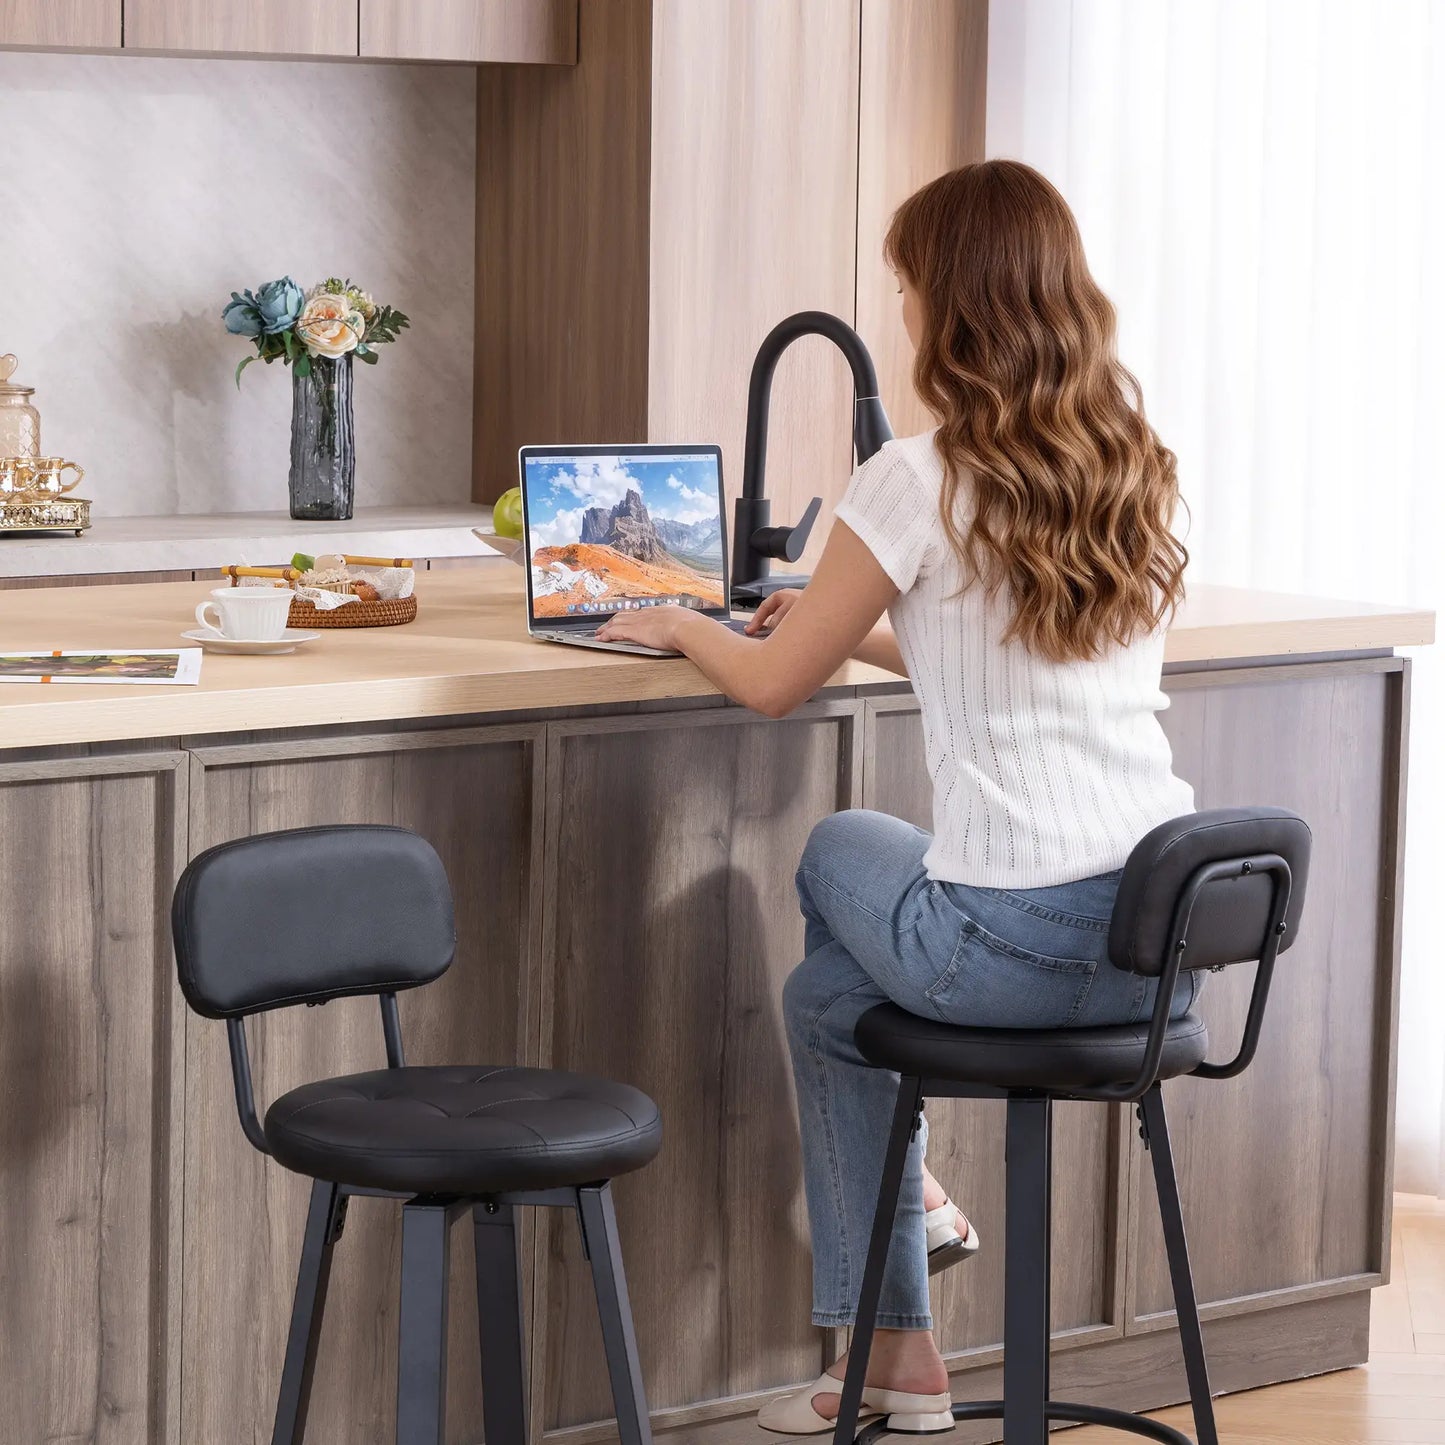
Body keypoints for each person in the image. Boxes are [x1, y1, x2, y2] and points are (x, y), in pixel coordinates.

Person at [597, 159, 1196, 1435]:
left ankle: (908, 1232)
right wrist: (832, 628)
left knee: (832, 847)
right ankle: (896, 1361)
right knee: (826, 1001)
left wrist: (679, 623)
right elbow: (1005, 649)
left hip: (1008, 947)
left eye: (911, 289)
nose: (903, 315)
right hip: (1160, 947)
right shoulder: (1129, 461)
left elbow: (766, 689)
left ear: (950, 307)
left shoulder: (913, 474)